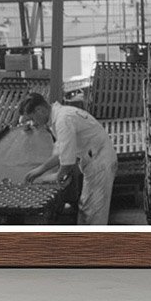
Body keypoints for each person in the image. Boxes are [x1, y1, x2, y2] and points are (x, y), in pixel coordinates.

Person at [19, 94, 118, 226]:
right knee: (87, 209)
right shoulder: (60, 117)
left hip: (99, 163)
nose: (33, 123)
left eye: (32, 119)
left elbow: (67, 162)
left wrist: (56, 176)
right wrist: (40, 170)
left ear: (40, 110)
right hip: (95, 160)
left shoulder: (63, 120)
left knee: (93, 213)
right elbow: (62, 151)